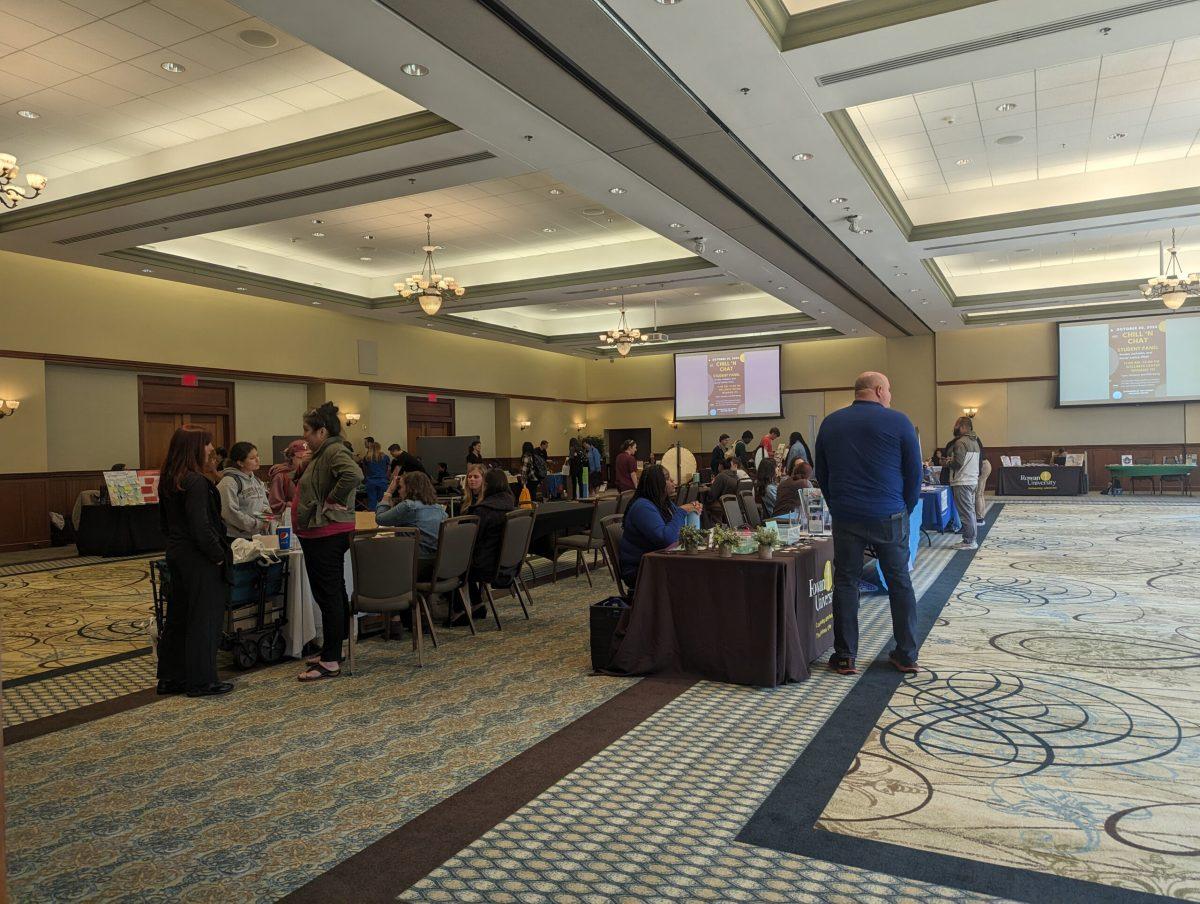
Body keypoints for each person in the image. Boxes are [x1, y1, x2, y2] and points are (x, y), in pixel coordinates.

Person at [815, 371, 922, 676]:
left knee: (846, 582)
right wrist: (905, 508)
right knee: (900, 582)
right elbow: (914, 474)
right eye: (888, 391)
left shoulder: (831, 423)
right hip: (890, 515)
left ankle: (846, 656)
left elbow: (822, 474)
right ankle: (906, 655)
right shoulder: (899, 421)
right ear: (878, 390)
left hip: (847, 515)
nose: (890, 396)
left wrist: (836, 505)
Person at [157, 426, 233, 698]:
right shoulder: (196, 482)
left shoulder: (169, 479)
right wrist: (218, 556)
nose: (212, 449)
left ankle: (171, 677)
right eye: (207, 445)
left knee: (178, 617)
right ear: (194, 448)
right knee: (205, 619)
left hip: (177, 554)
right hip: (199, 558)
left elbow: (165, 524)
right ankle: (202, 681)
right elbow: (202, 526)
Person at [294, 403, 362, 683]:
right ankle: (332, 649)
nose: (304, 437)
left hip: (327, 532)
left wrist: (332, 499)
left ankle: (331, 659)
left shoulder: (333, 450)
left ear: (322, 431)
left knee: (329, 594)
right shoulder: (323, 452)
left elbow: (354, 475)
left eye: (307, 431)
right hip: (319, 532)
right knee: (331, 593)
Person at [618, 464, 702, 587]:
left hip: (660, 562)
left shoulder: (664, 502)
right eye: (667, 478)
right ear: (656, 483)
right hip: (642, 570)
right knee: (696, 575)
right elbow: (666, 540)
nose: (672, 481)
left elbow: (678, 530)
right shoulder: (642, 506)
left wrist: (691, 511)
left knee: (700, 571)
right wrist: (681, 512)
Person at [464, 468, 516, 627]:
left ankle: (461, 610)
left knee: (454, 567)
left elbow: (468, 540)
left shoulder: (483, 510)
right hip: (506, 562)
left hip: (486, 564)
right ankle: (476, 604)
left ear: (487, 486)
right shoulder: (510, 505)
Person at [376, 469, 447, 562]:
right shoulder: (438, 507)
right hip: (435, 560)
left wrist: (389, 491)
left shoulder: (409, 505)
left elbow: (380, 519)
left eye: (400, 487)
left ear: (410, 488)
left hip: (413, 560)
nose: (399, 491)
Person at [216, 442, 271, 540]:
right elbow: (230, 513)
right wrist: (255, 524)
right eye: (252, 458)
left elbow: (264, 504)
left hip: (257, 536)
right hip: (237, 538)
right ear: (240, 462)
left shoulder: (257, 481)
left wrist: (267, 517)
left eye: (257, 456)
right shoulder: (229, 482)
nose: (257, 460)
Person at [948, 416, 982, 551]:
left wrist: (947, 463)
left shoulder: (961, 442)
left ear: (962, 427)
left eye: (956, 425)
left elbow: (958, 463)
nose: (954, 428)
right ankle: (971, 539)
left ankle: (969, 541)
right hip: (972, 480)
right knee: (970, 511)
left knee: (966, 512)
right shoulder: (975, 441)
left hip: (962, 481)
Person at [268, 440, 309, 518]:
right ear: (291, 457)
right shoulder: (281, 475)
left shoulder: (311, 472)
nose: (304, 461)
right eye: (300, 458)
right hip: (288, 519)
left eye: (307, 458)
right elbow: (274, 504)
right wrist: (290, 504)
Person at [706, 455, 740, 524]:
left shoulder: (721, 476)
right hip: (733, 504)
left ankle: (709, 526)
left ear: (721, 466)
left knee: (704, 505)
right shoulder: (736, 476)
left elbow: (712, 496)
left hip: (722, 504)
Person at [360, 441, 390, 510]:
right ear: (379, 448)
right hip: (382, 481)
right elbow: (388, 469)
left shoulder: (366, 458)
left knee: (372, 501)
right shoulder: (385, 457)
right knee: (382, 502)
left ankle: (371, 518)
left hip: (370, 482)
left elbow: (364, 470)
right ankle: (382, 518)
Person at [975, 432, 991, 527]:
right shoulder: (975, 438)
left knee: (978, 493)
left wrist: (979, 472)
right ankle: (980, 515)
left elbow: (979, 457)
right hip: (985, 464)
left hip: (983, 465)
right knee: (980, 493)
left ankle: (979, 518)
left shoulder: (972, 440)